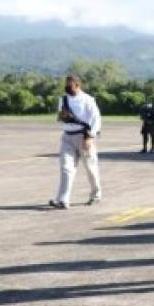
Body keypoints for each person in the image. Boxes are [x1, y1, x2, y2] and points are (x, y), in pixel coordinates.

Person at [49, 75, 102, 209]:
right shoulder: (63, 99)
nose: (67, 87)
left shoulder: (87, 100)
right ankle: (63, 200)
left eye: (70, 84)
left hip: (83, 137)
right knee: (66, 168)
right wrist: (62, 117)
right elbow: (60, 116)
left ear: (78, 85)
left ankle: (96, 195)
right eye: (66, 84)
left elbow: (96, 119)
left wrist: (89, 137)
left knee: (91, 168)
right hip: (67, 137)